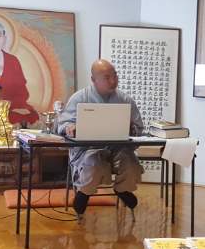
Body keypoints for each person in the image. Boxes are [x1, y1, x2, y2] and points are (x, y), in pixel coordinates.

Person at [57, 59, 144, 217]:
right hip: (87, 150)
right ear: (93, 79)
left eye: (115, 76)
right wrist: (70, 127)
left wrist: (133, 129)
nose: (113, 81)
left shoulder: (125, 100)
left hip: (118, 149)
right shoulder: (80, 98)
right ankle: (84, 194)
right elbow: (62, 124)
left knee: (131, 162)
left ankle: (122, 190)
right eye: (107, 77)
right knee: (94, 162)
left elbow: (139, 128)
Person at [0, 20, 38, 125]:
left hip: (8, 108)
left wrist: (7, 105)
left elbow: (22, 92)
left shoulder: (12, 61)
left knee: (30, 115)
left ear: (4, 38)